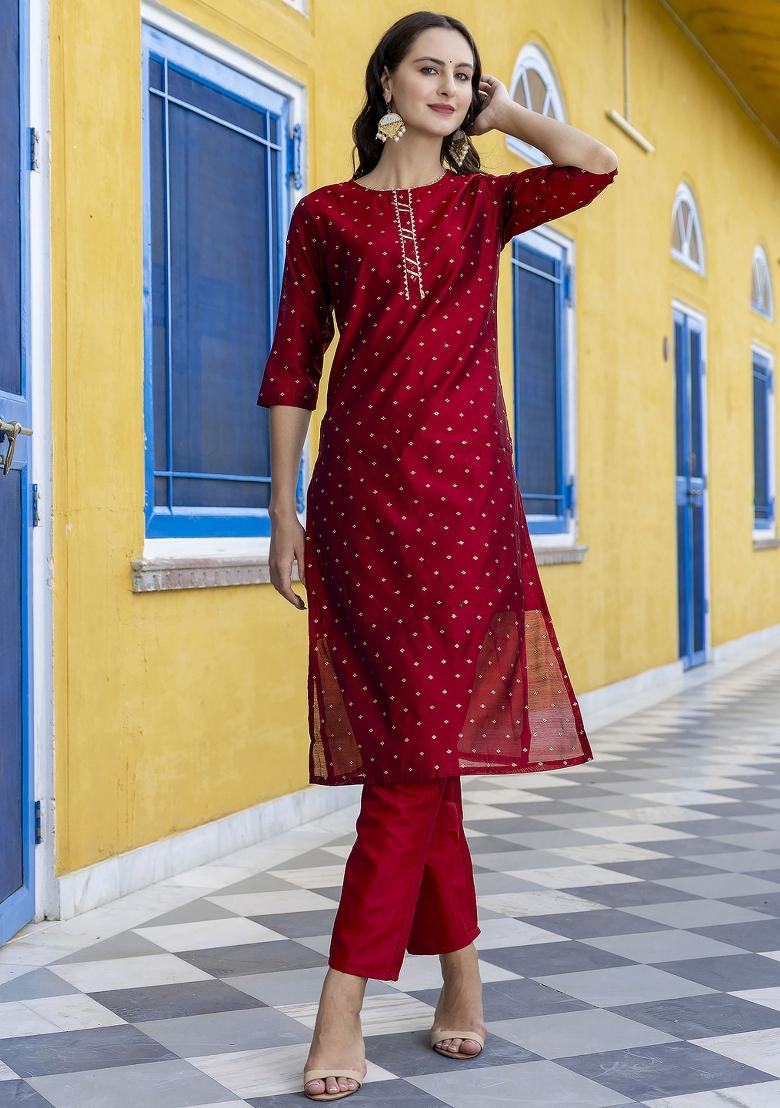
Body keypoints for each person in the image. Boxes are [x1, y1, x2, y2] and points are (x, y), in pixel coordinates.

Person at [257, 11, 618, 1102]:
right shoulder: (323, 216)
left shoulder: (484, 202)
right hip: (362, 510)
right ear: (387, 79)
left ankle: (341, 1007)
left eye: (465, 75)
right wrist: (282, 513)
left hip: (466, 514)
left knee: (410, 769)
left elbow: (595, 163)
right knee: (421, 762)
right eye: (432, 68)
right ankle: (461, 982)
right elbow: (289, 369)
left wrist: (506, 112)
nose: (450, 87)